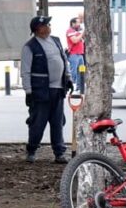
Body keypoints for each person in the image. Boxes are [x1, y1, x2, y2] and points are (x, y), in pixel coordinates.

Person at [20, 16, 72, 164]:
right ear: (38, 29)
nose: (49, 26)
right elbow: (25, 71)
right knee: (38, 123)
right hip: (40, 91)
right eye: (45, 25)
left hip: (58, 89)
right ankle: (31, 150)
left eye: (48, 24)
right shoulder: (30, 47)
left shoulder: (56, 40)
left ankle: (59, 153)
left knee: (58, 122)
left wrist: (68, 78)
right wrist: (28, 91)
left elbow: (64, 60)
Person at [66, 16, 85, 93]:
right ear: (73, 23)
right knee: (73, 71)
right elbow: (75, 40)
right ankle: (72, 86)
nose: (79, 24)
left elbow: (82, 40)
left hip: (80, 54)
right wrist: (82, 33)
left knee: (81, 71)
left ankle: (79, 87)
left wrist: (81, 34)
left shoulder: (77, 31)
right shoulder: (70, 31)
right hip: (74, 55)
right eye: (78, 22)